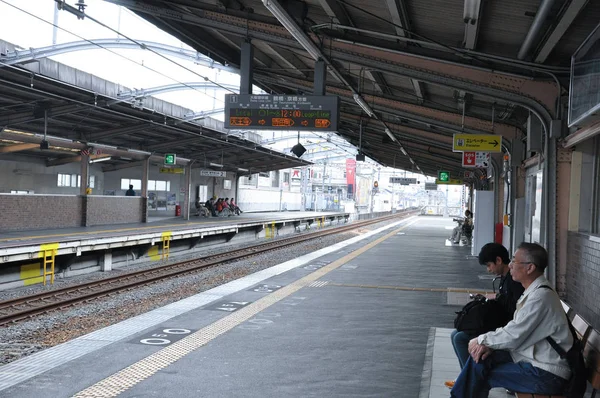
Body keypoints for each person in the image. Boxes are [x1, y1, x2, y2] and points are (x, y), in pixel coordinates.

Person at [450, 242, 571, 398]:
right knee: (480, 359)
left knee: (479, 373)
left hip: (547, 374)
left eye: (515, 261)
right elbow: (516, 329)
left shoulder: (540, 298)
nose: (511, 265)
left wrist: (482, 340)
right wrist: (488, 345)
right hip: (533, 360)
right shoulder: (535, 292)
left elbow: (515, 334)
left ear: (530, 268)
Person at [447, 243, 524, 387]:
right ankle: (466, 376)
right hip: (501, 324)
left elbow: (512, 309)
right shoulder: (506, 278)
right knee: (455, 334)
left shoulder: (513, 281)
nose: (488, 270)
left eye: (489, 265)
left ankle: (471, 382)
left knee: (460, 338)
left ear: (499, 260)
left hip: (506, 329)